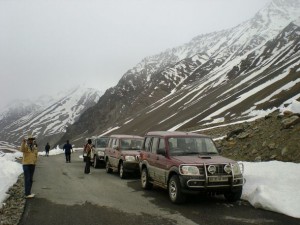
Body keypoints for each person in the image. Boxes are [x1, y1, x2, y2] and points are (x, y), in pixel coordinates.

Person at [20, 134, 38, 199]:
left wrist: (35, 162)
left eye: (32, 140)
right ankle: (27, 194)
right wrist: (23, 142)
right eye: (29, 139)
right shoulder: (25, 146)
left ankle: (29, 192)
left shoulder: (35, 147)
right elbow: (21, 149)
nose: (31, 141)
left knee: (30, 179)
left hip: (32, 164)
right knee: (27, 179)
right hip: (26, 164)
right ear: (28, 140)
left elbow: (36, 155)